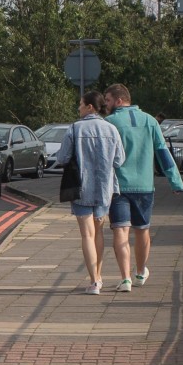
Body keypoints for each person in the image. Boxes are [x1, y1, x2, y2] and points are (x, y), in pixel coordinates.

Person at [103, 83, 183, 292]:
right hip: (144, 187)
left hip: (118, 187)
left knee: (120, 230)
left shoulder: (110, 123)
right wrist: (175, 181)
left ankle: (125, 279)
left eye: (109, 100)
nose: (106, 105)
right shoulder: (149, 121)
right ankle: (140, 273)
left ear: (119, 100)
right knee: (142, 231)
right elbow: (163, 153)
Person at [55, 91, 125, 295]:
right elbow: (119, 160)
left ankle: (94, 281)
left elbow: (62, 157)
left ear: (90, 107)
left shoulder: (75, 129)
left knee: (87, 234)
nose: (78, 108)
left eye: (80, 104)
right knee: (99, 233)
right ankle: (99, 276)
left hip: (80, 187)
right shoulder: (111, 129)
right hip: (105, 188)